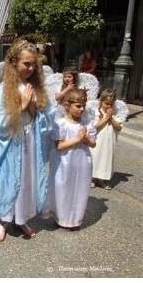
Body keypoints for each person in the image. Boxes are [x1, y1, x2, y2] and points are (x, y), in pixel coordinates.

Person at [0, 40, 53, 242]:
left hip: (30, 139)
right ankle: (4, 220)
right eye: (26, 64)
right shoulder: (3, 89)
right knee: (9, 180)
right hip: (11, 142)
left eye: (34, 64)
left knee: (26, 180)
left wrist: (35, 109)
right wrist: (22, 105)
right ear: (14, 63)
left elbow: (47, 116)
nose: (31, 69)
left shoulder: (36, 87)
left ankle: (22, 217)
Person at [46, 88, 96, 230]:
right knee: (64, 188)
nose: (82, 109)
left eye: (83, 106)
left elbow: (94, 143)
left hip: (82, 162)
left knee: (80, 189)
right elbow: (60, 146)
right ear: (67, 106)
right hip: (64, 163)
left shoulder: (86, 124)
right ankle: (62, 217)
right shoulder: (60, 124)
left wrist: (87, 140)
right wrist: (77, 139)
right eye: (78, 106)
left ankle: (75, 218)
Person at [90, 89, 124, 190]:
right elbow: (94, 127)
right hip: (97, 141)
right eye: (106, 103)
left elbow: (119, 127)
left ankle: (102, 179)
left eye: (111, 104)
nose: (109, 106)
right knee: (95, 157)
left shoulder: (115, 113)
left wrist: (111, 118)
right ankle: (92, 178)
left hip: (109, 142)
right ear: (101, 101)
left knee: (106, 159)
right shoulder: (96, 112)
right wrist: (105, 118)